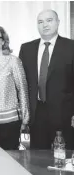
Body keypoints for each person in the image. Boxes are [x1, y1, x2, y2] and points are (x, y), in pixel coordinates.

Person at [19, 9, 74, 150]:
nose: (45, 25)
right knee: (38, 159)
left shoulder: (71, 47)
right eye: (40, 22)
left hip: (65, 113)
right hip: (36, 113)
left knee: (64, 156)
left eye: (49, 20)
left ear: (58, 22)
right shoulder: (27, 48)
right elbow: (21, 83)